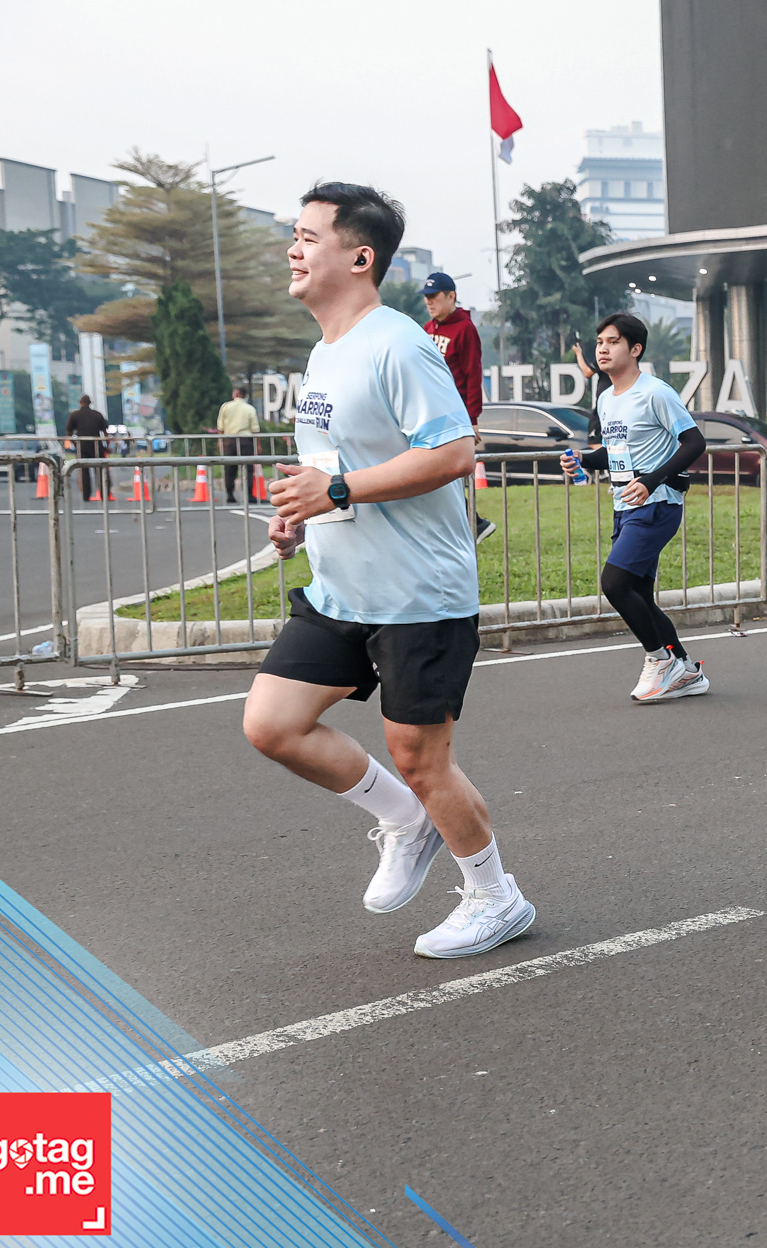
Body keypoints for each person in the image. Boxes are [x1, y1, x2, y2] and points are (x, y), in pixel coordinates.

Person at [242, 181, 535, 958]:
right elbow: (337, 466)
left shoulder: (398, 343)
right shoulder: (325, 352)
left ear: (359, 257)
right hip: (341, 590)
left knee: (421, 757)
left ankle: (496, 898)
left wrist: (336, 489)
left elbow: (454, 451)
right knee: (273, 724)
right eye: (295, 236)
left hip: (416, 594)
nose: (293, 250)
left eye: (309, 237)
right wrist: (304, 510)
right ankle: (405, 819)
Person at [559, 313, 709, 702]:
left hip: (657, 504)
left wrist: (651, 480)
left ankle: (660, 658)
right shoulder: (606, 398)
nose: (602, 349)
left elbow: (694, 443)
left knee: (615, 583)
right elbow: (616, 455)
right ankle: (687, 671)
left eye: (613, 342)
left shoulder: (656, 392)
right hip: (625, 505)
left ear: (635, 349)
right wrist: (582, 459)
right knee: (639, 594)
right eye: (599, 342)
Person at [422, 273, 495, 545]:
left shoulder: (465, 329)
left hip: (454, 415)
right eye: (426, 298)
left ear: (451, 296)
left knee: (443, 473)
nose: (429, 302)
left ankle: (474, 524)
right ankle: (472, 523)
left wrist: (472, 418)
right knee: (434, 474)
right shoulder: (428, 328)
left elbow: (473, 375)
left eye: (434, 297)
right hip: (430, 413)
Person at [216, 384, 261, 504]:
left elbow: (220, 426)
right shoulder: (250, 408)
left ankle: (230, 494)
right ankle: (249, 495)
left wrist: (220, 441)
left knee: (230, 469)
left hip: (230, 440)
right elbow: (255, 429)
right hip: (246, 440)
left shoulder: (226, 406)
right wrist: (258, 445)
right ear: (245, 396)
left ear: (236, 394)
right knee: (248, 469)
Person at [64, 394, 112, 501]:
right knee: (101, 470)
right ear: (90, 403)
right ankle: (104, 494)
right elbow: (105, 433)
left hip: (82, 446)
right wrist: (107, 446)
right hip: (96, 445)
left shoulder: (75, 415)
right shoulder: (97, 415)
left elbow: (69, 433)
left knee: (84, 472)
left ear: (80, 403)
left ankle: (86, 495)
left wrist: (75, 444)